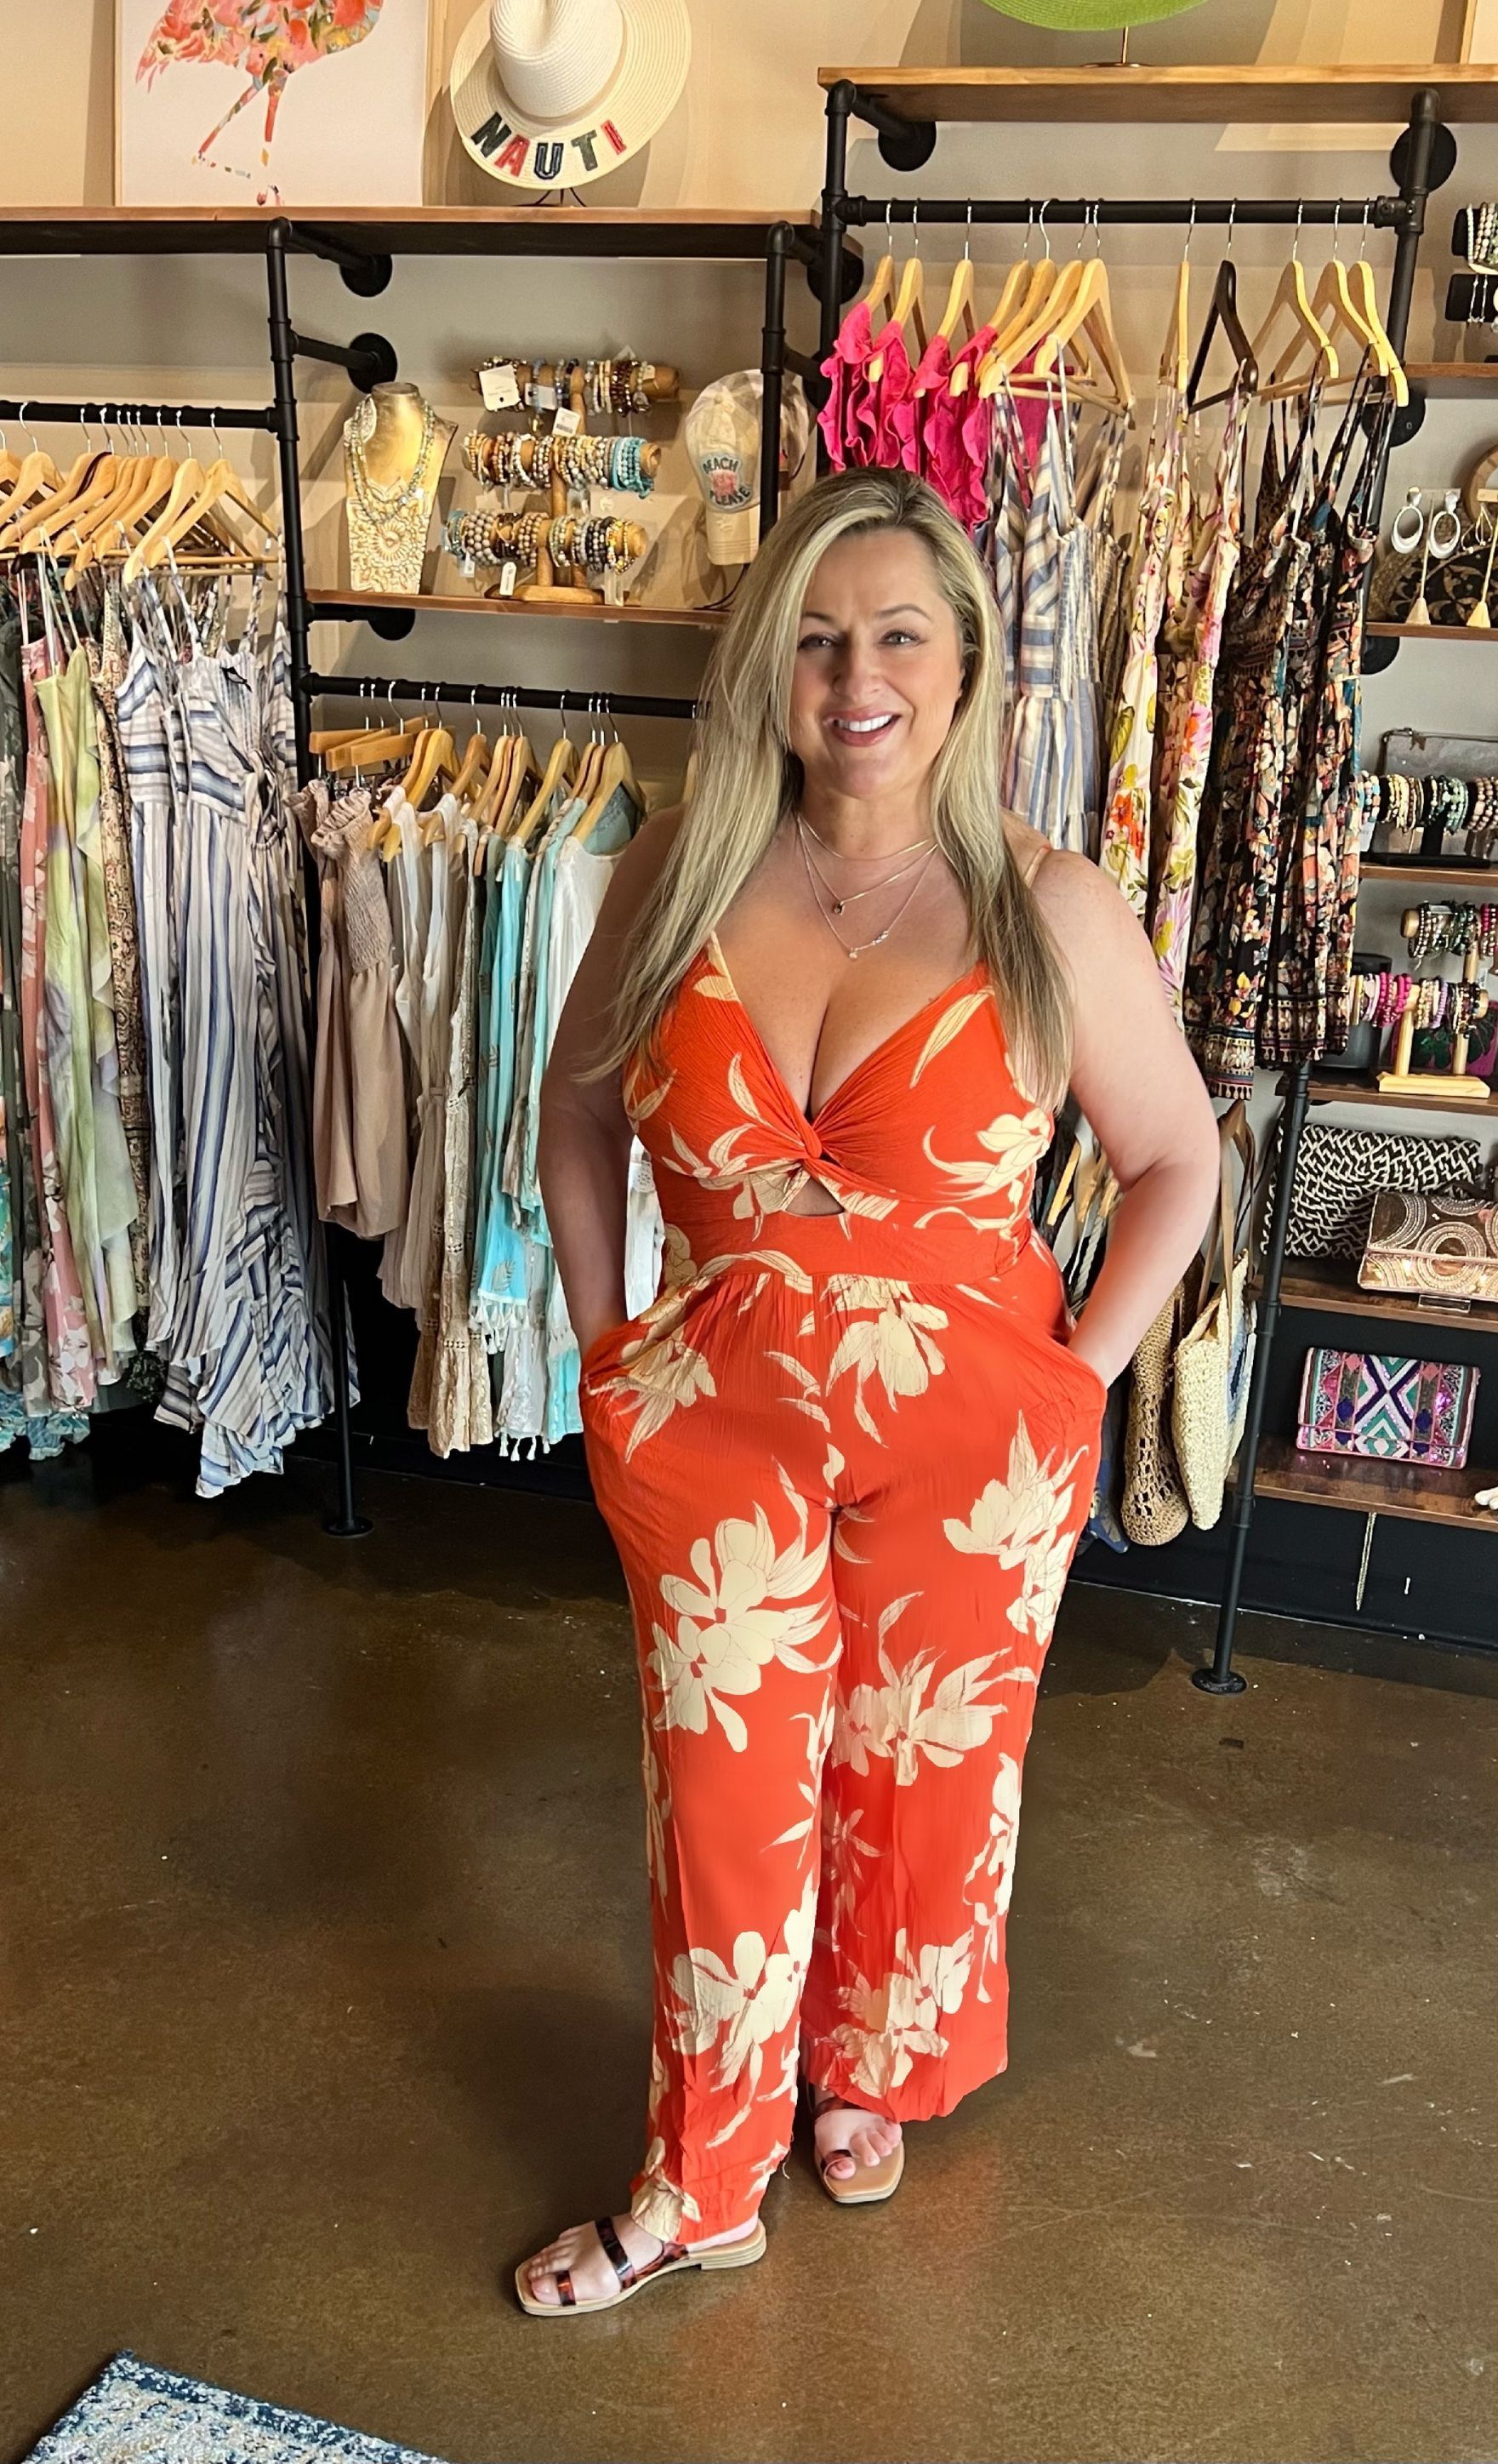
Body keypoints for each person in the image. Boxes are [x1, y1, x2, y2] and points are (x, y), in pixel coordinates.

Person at [518, 468, 1217, 2315]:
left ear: (966, 661)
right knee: (719, 1794)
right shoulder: (676, 870)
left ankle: (869, 2072)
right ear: (770, 664)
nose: (857, 678)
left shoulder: (1050, 906)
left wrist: (1070, 1389)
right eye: (818, 637)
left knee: (927, 1785)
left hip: (974, 1440)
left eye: (899, 633)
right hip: (713, 1422)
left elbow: (1180, 1162)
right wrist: (606, 1347)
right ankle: (701, 2176)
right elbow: (578, 1116)